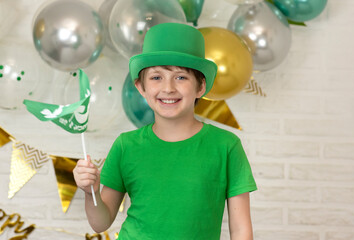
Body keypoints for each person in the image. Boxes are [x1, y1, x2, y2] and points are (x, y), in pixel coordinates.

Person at [73, 22, 257, 240]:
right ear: (141, 87)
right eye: (156, 77)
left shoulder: (226, 146)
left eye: (181, 77)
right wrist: (91, 192)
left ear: (200, 87)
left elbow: (241, 230)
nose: (168, 88)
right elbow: (100, 222)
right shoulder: (126, 145)